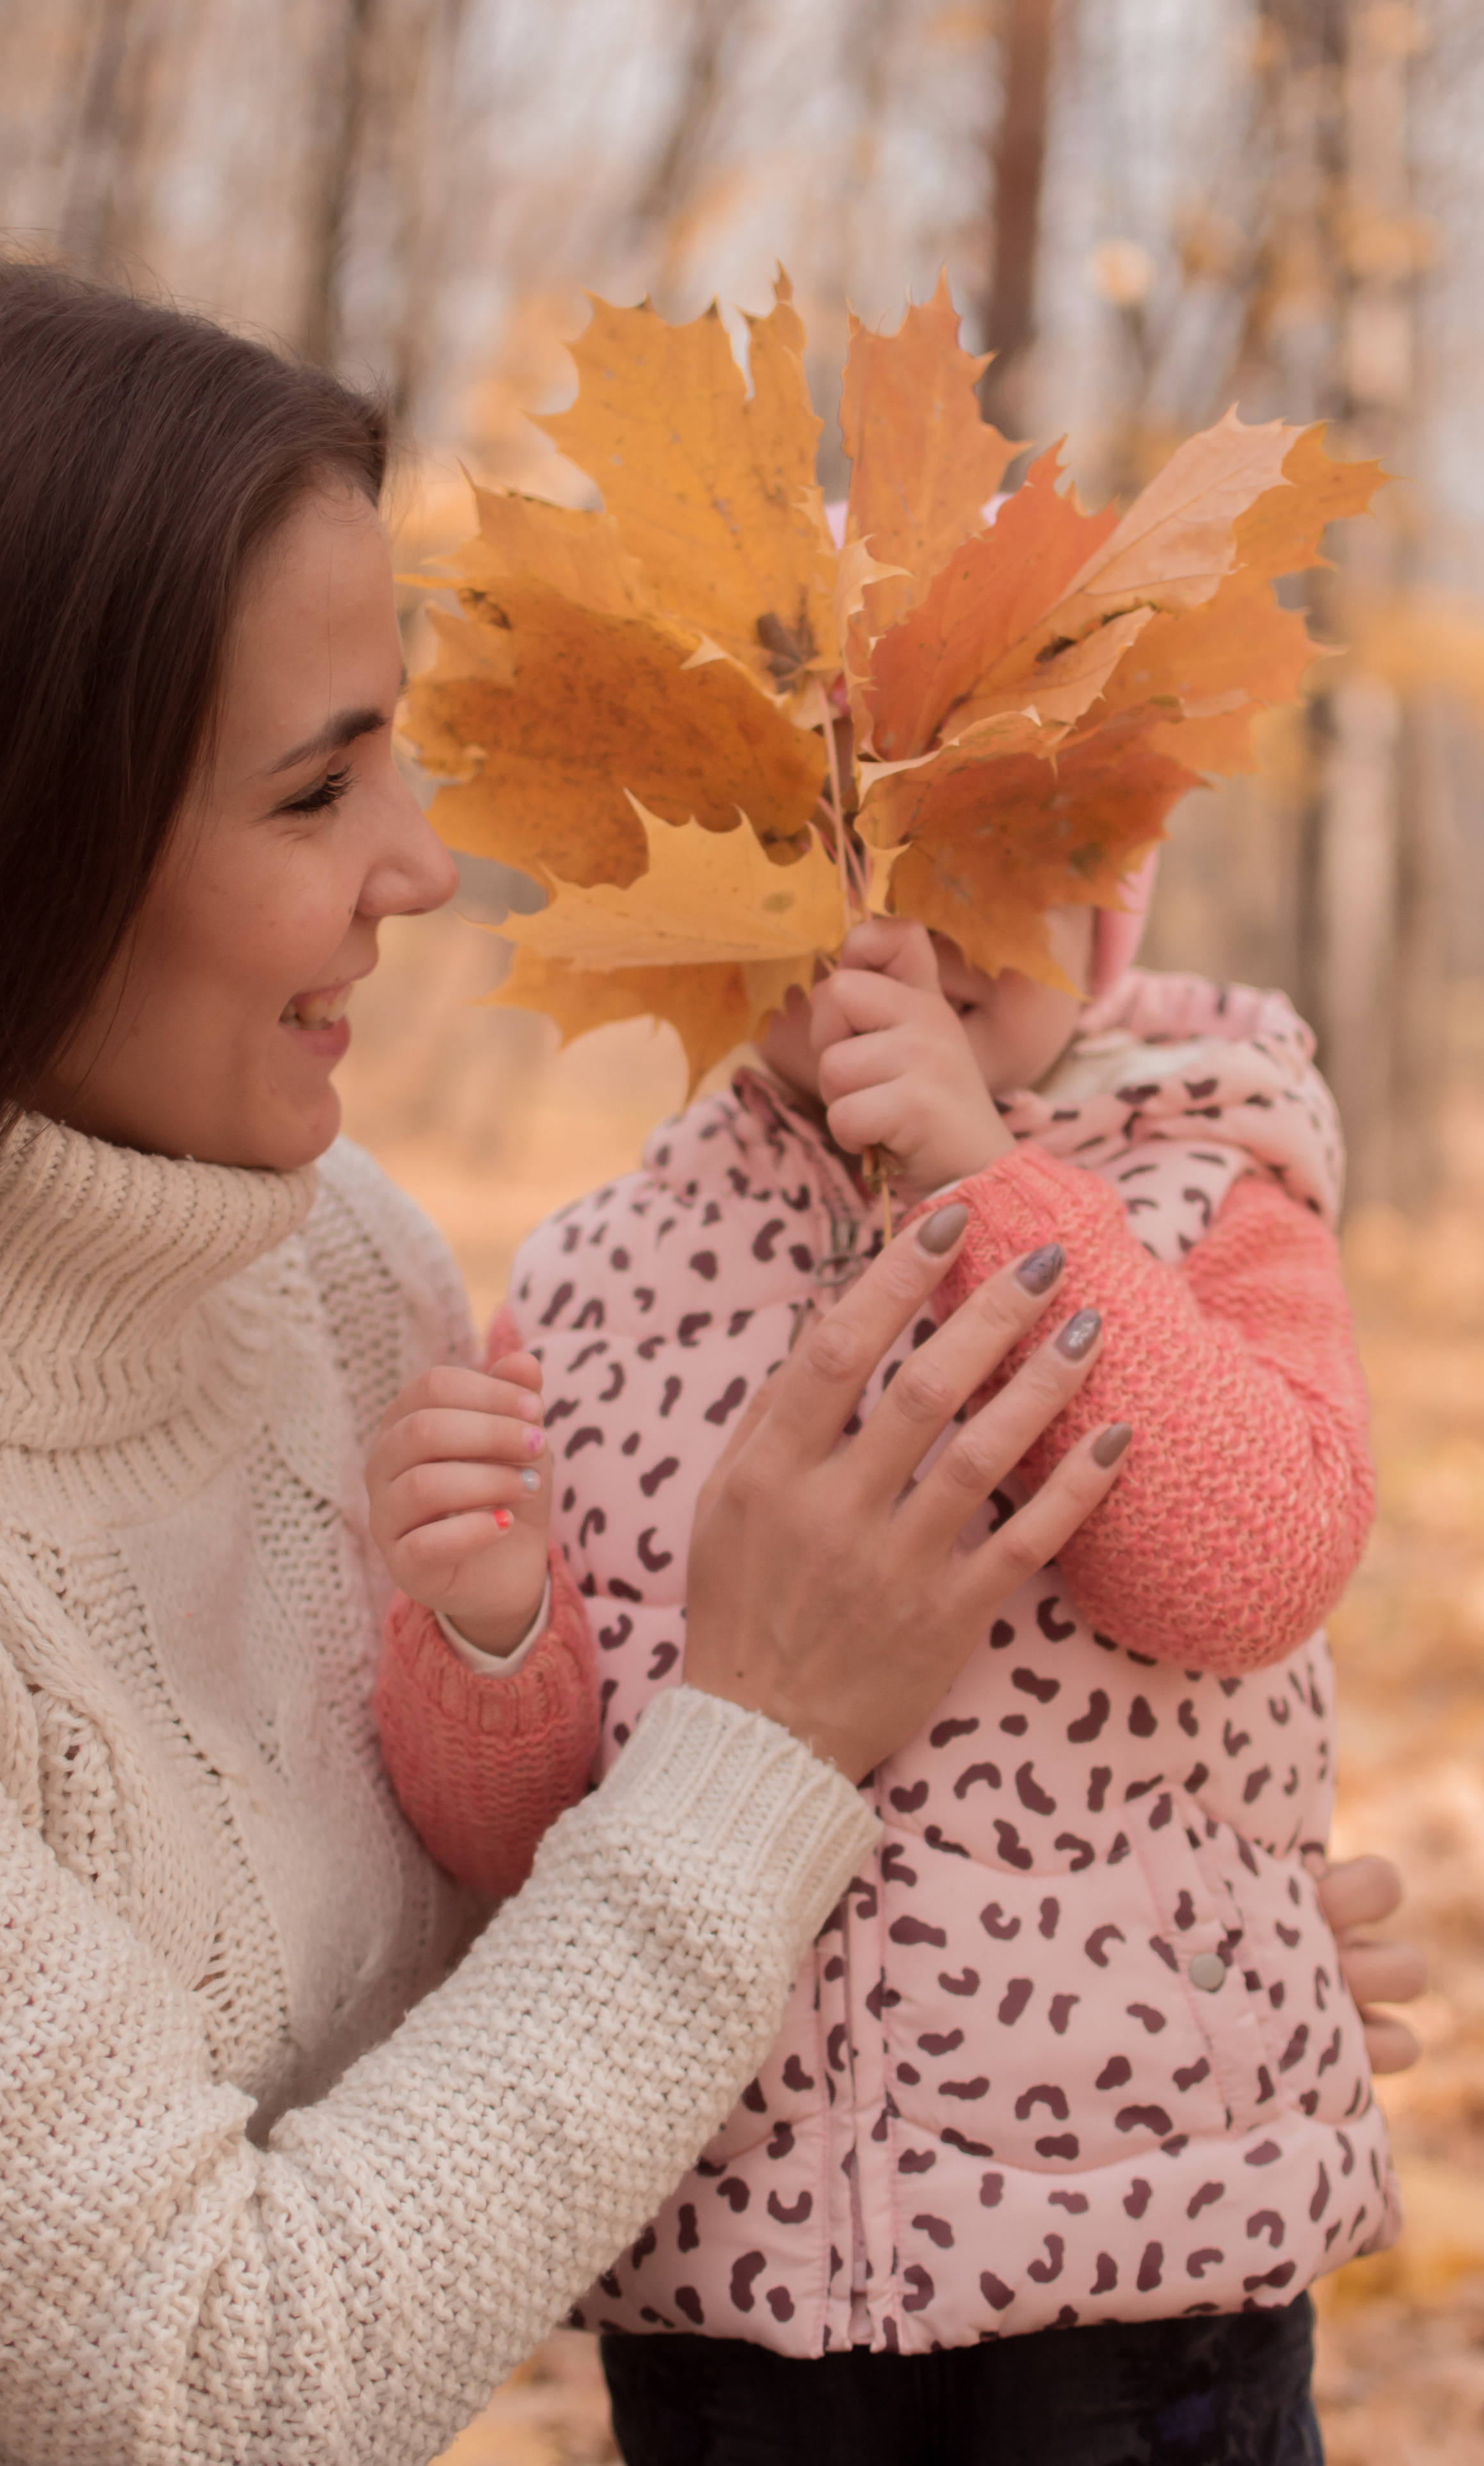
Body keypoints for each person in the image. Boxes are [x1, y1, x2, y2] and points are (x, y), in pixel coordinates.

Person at [0, 245, 1162, 2466]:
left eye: (404, 763)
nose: (422, 871)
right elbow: (228, 2376)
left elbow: (522, 1996)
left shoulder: (337, 1274)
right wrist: (771, 1740)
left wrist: (1085, 1948)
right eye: (312, 792)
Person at [374, 856, 1401, 2456]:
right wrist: (489, 1625)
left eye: (984, 858)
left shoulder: (1210, 1190)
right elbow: (516, 1844)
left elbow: (1248, 1570)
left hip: (1137, 2255)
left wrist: (986, 1186)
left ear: (1109, 889)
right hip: (737, 2267)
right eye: (811, 860)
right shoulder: (596, 1284)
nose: (901, 937)